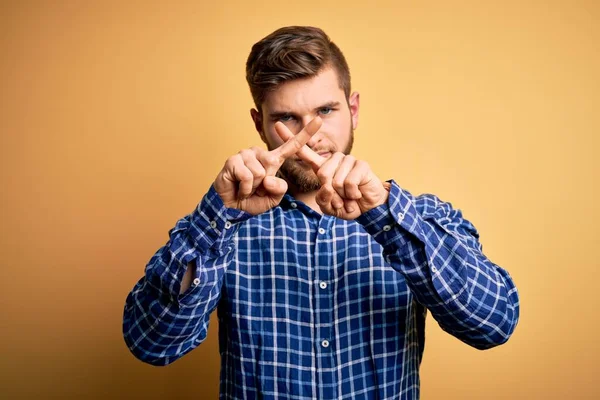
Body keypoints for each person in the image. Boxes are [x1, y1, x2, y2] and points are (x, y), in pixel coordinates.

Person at [123, 26, 520, 399]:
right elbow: (152, 343)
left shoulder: (418, 217)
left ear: (354, 110)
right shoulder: (222, 228)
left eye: (326, 111)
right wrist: (216, 216)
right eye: (287, 118)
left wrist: (385, 216)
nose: (309, 135)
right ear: (259, 124)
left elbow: (494, 324)